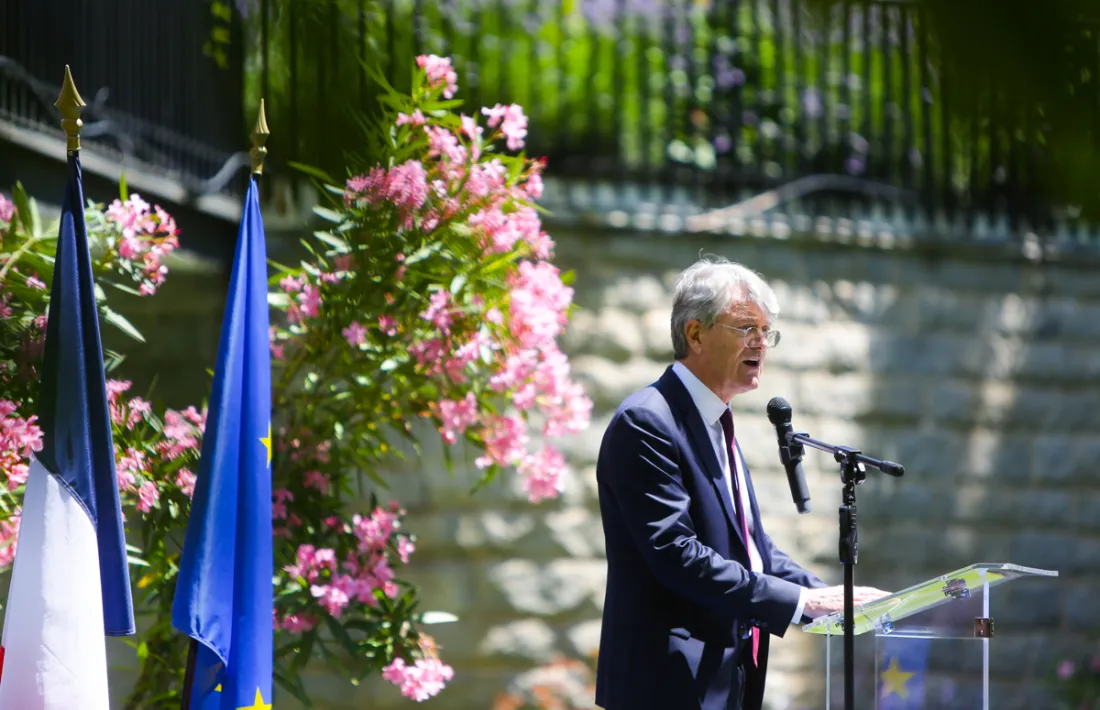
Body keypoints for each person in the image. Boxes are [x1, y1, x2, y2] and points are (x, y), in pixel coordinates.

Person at [594, 256, 887, 710]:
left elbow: (751, 549)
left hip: (727, 682)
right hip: (666, 684)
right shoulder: (647, 421)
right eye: (746, 328)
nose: (760, 344)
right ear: (695, 334)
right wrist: (798, 602)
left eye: (766, 332)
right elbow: (676, 554)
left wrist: (828, 599)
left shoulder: (716, 421)